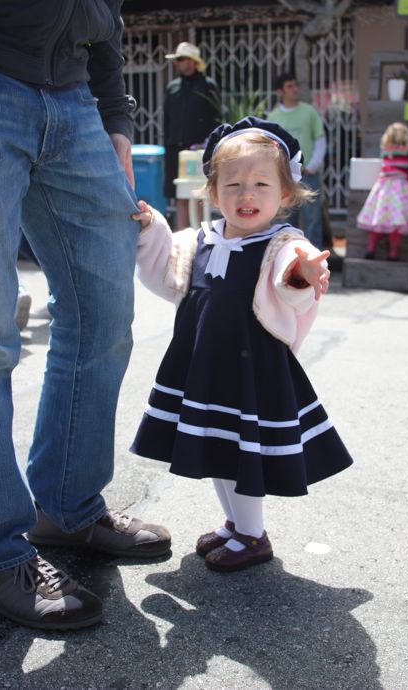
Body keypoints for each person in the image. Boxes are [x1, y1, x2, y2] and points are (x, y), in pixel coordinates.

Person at [0, 1, 171, 631]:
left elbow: (105, 22)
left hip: (75, 99)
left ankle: (67, 506)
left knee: (103, 316)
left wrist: (115, 120)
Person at [130, 116, 353, 573]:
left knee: (243, 450)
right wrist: (150, 226)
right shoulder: (201, 239)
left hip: (253, 369)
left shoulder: (282, 242)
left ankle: (253, 535)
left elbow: (289, 272)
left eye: (260, 184)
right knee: (217, 445)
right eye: (232, 184)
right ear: (213, 193)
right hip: (204, 364)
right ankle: (235, 524)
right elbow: (166, 271)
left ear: (285, 194)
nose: (245, 194)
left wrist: (305, 272)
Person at [163, 41, 221, 230]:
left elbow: (217, 118)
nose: (184, 63)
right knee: (179, 193)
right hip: (175, 150)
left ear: (195, 62)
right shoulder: (172, 87)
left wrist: (209, 147)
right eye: (180, 59)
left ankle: (199, 235)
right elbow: (167, 120)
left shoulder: (208, 85)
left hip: (198, 150)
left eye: (188, 59)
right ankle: (181, 237)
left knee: (197, 192)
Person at [268, 73, 326, 249]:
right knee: (286, 217)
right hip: (285, 176)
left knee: (313, 218)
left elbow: (320, 140)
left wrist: (313, 166)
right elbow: (270, 147)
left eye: (295, 85)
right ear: (280, 91)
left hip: (307, 173)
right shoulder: (273, 117)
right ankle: (289, 255)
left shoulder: (309, 111)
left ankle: (315, 255)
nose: (295, 89)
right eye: (289, 86)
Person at [357, 122, 408, 260]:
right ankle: (393, 254)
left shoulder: (387, 150)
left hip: (383, 188)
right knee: (396, 224)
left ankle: (370, 249)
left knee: (378, 222)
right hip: (400, 189)